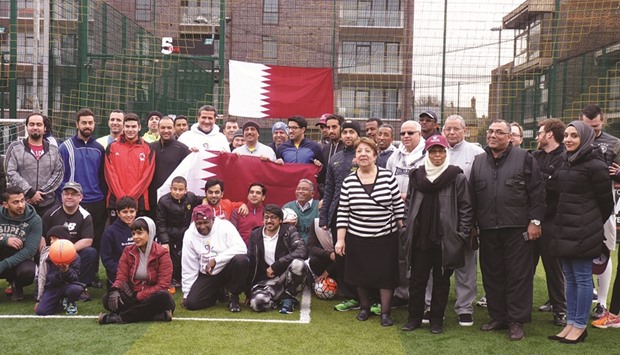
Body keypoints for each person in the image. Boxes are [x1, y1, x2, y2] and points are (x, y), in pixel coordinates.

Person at [470, 119, 546, 341]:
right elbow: (473, 198)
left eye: (499, 132)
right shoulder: (478, 161)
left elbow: (537, 193)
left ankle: (516, 321)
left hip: (517, 229)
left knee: (518, 276)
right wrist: (473, 227)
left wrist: (536, 222)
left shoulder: (524, 158)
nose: (493, 135)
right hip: (488, 229)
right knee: (492, 275)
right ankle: (499, 317)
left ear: (510, 137)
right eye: (491, 132)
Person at [548, 121, 613, 343]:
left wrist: (591, 223)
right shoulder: (565, 162)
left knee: (583, 278)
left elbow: (607, 204)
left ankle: (580, 326)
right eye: (566, 135)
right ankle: (571, 323)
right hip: (565, 228)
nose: (568, 139)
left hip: (585, 230)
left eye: (574, 136)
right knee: (570, 278)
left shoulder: (596, 165)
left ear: (584, 138)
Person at [402, 134, 472, 334]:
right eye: (433, 151)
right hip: (420, 239)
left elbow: (466, 208)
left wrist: (461, 235)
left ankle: (436, 320)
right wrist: (406, 229)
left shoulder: (456, 176)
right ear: (427, 154)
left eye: (441, 151)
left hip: (445, 239)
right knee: (417, 281)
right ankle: (414, 318)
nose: (437, 155)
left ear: (446, 153)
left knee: (441, 282)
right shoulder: (416, 176)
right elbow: (408, 205)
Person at [335, 137, 405, 327]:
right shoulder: (349, 181)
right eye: (359, 151)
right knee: (360, 274)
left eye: (367, 151)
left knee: (386, 275)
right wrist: (340, 240)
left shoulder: (387, 176)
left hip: (386, 236)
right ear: (355, 157)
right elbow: (343, 211)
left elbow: (398, 206)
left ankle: (385, 312)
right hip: (358, 237)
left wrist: (403, 230)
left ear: (375, 155)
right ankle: (364, 308)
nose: (363, 154)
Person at [439, 115, 484, 327]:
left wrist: (474, 222)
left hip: (466, 217)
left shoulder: (476, 153)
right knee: (435, 263)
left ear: (465, 131)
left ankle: (464, 307)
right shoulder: (435, 150)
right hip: (439, 218)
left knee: (466, 264)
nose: (451, 133)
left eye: (456, 129)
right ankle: (431, 304)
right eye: (448, 129)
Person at [58, 108, 107, 287]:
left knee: (95, 241)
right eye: (84, 122)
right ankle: (69, 273)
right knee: (74, 239)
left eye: (90, 122)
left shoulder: (99, 148)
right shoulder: (66, 147)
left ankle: (92, 275)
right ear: (77, 124)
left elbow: (103, 176)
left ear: (94, 124)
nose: (87, 126)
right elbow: (60, 176)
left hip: (97, 202)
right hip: (75, 203)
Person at [580, 104, 620, 320]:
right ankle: (576, 298)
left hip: (604, 205)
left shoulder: (614, 143)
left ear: (602, 122)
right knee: (573, 252)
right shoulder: (572, 138)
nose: (592, 131)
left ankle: (602, 303)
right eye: (588, 126)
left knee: (604, 251)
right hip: (576, 206)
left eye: (595, 127)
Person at [99, 217, 175, 324]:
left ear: (150, 233)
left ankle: (121, 318)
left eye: (139, 233)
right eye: (133, 233)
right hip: (132, 296)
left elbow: (163, 285)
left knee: (164, 296)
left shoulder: (162, 253)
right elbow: (122, 276)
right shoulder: (128, 251)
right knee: (107, 299)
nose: (135, 237)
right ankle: (156, 316)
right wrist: (115, 289)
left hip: (152, 297)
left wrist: (139, 296)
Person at [319, 120, 360, 312]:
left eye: (352, 132)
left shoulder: (364, 156)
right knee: (342, 256)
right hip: (337, 215)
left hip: (361, 215)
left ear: (358, 135)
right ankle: (349, 295)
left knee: (362, 256)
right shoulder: (334, 159)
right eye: (345, 132)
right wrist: (325, 216)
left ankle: (368, 296)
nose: (348, 136)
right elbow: (329, 189)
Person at [532, 118, 568, 326]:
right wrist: (546, 178)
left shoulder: (564, 157)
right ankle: (519, 308)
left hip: (552, 220)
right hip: (530, 219)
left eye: (540, 132)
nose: (537, 136)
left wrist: (541, 179)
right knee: (524, 266)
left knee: (553, 268)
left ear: (550, 135)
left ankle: (560, 309)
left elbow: (557, 185)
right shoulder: (534, 156)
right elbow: (529, 182)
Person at [181, 205, 249, 312]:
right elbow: (188, 265)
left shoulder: (225, 226)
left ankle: (234, 296)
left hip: (227, 268)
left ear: (213, 219)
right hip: (208, 273)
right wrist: (186, 293)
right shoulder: (189, 234)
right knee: (192, 303)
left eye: (206, 222)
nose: (202, 227)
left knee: (241, 260)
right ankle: (217, 292)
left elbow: (241, 248)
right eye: (198, 223)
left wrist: (216, 260)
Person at [248, 204, 309, 314]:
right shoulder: (255, 234)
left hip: (286, 277)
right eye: (266, 217)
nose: (269, 221)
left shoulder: (289, 231)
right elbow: (251, 261)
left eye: (273, 217)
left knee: (298, 264)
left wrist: (277, 265)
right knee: (257, 304)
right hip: (265, 282)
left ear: (280, 220)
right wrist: (248, 290)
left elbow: (302, 251)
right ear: (262, 220)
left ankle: (289, 298)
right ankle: (277, 300)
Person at [5, 113, 64, 217]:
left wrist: (41, 193)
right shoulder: (15, 148)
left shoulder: (54, 150)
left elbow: (59, 172)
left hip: (47, 205)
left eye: (39, 124)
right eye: (31, 124)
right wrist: (30, 192)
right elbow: (10, 172)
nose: (35, 127)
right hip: (22, 205)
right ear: (26, 127)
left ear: (45, 128)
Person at [42, 182, 98, 287]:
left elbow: (87, 240)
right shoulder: (50, 213)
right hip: (53, 252)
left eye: (73, 194)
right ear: (62, 196)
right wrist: (48, 252)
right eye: (66, 194)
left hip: (74, 252)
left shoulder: (85, 216)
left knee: (91, 252)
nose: (69, 197)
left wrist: (66, 250)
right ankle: (48, 283)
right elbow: (42, 236)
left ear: (80, 197)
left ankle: (81, 286)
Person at [104, 113, 156, 216]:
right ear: (123, 127)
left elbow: (146, 177)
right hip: (116, 202)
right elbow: (110, 175)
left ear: (139, 127)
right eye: (127, 126)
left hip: (139, 202)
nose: (130, 129)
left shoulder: (148, 148)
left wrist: (131, 199)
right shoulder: (112, 147)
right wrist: (122, 198)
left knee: (138, 232)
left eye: (133, 126)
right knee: (117, 232)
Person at [156, 176, 202, 289]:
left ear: (186, 190)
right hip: (170, 235)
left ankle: (185, 278)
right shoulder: (163, 201)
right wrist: (165, 241)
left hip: (186, 235)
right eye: (174, 189)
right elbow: (160, 223)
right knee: (172, 259)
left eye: (180, 189)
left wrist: (206, 201)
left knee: (186, 257)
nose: (177, 192)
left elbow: (203, 199)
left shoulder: (191, 197)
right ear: (170, 188)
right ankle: (171, 279)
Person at [0, 187, 42, 301]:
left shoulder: (35, 220)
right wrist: (5, 240)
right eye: (15, 202)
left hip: (19, 258)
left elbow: (30, 251)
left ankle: (17, 285)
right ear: (5, 204)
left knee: (29, 271)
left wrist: (3, 264)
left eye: (22, 200)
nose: (21, 205)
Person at [35, 225, 84, 316]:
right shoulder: (46, 256)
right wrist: (38, 299)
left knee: (76, 289)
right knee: (41, 312)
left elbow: (75, 278)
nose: (52, 241)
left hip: (68, 286)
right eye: (50, 239)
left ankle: (71, 301)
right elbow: (41, 277)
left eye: (55, 238)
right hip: (52, 287)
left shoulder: (74, 256)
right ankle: (58, 303)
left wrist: (65, 271)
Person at [148, 116, 190, 218]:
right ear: (158, 129)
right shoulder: (150, 147)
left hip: (174, 202)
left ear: (174, 129)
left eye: (169, 128)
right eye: (163, 128)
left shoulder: (183, 149)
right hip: (151, 200)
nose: (166, 131)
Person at [100, 196, 137, 287]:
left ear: (136, 211)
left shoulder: (142, 229)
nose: (129, 215)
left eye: (132, 211)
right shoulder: (110, 233)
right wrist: (122, 271)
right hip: (119, 272)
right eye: (125, 212)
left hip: (139, 271)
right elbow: (106, 259)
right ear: (118, 213)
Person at [386, 120, 426, 200]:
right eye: (402, 133)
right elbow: (387, 178)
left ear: (420, 134)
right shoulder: (395, 155)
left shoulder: (427, 154)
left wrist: (408, 195)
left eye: (410, 133)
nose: (406, 136)